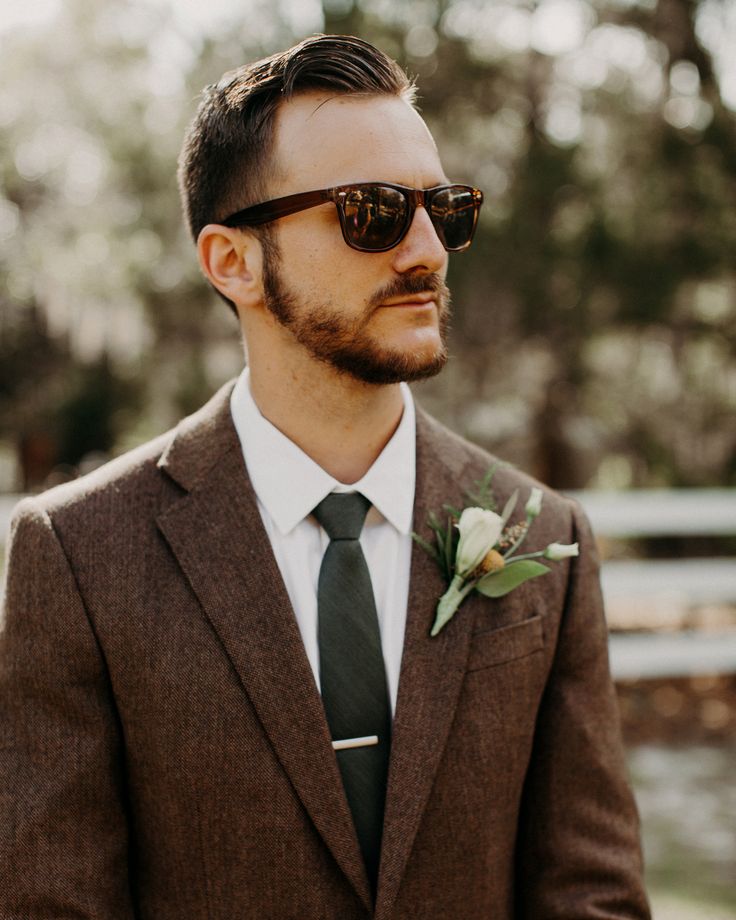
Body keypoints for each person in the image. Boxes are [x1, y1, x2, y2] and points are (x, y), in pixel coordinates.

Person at [0, 33, 651, 920]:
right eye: (373, 211)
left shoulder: (544, 536)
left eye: (444, 208)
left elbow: (593, 897)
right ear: (233, 261)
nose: (427, 251)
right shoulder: (75, 556)